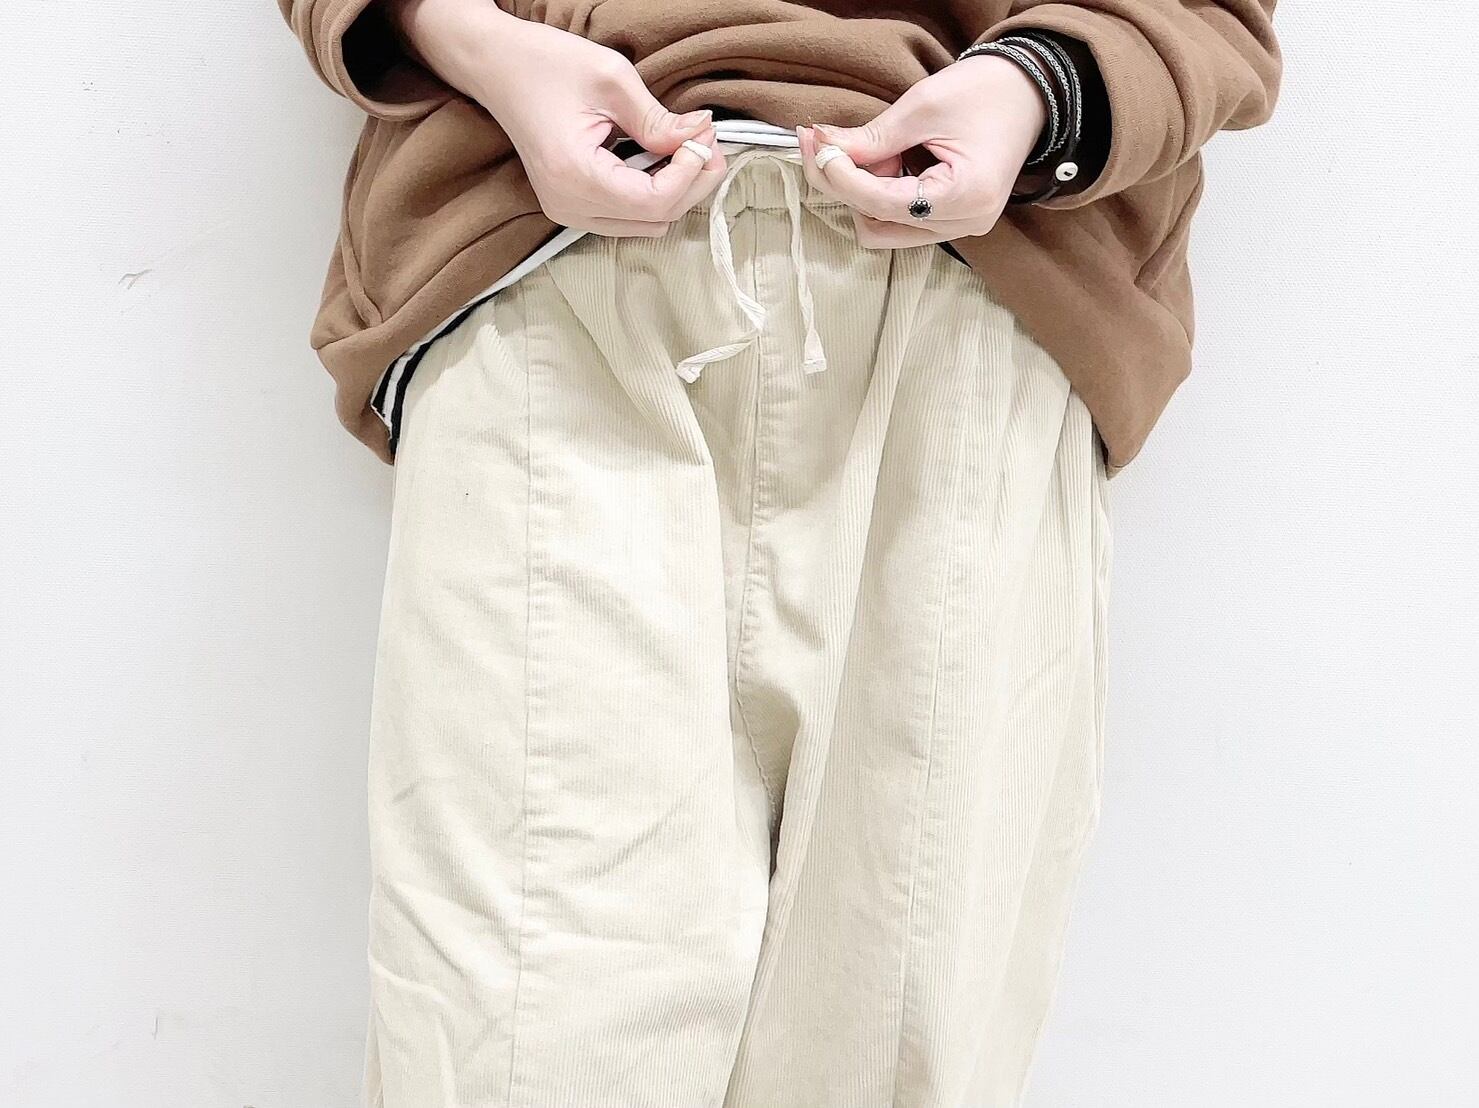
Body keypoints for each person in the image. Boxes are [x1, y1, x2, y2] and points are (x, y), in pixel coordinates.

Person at [277, 0, 1280, 1103]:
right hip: (547, 256)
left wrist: (1038, 86)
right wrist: (477, 43)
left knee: (892, 1050)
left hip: (987, 281)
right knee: (521, 1053)